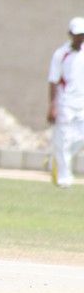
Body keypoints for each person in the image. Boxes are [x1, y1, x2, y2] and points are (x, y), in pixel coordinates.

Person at [47, 16, 84, 188]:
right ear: (70, 34)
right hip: (65, 102)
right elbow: (53, 80)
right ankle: (64, 178)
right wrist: (52, 106)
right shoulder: (61, 54)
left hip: (82, 102)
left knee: (79, 138)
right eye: (77, 34)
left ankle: (57, 160)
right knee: (62, 138)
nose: (80, 38)